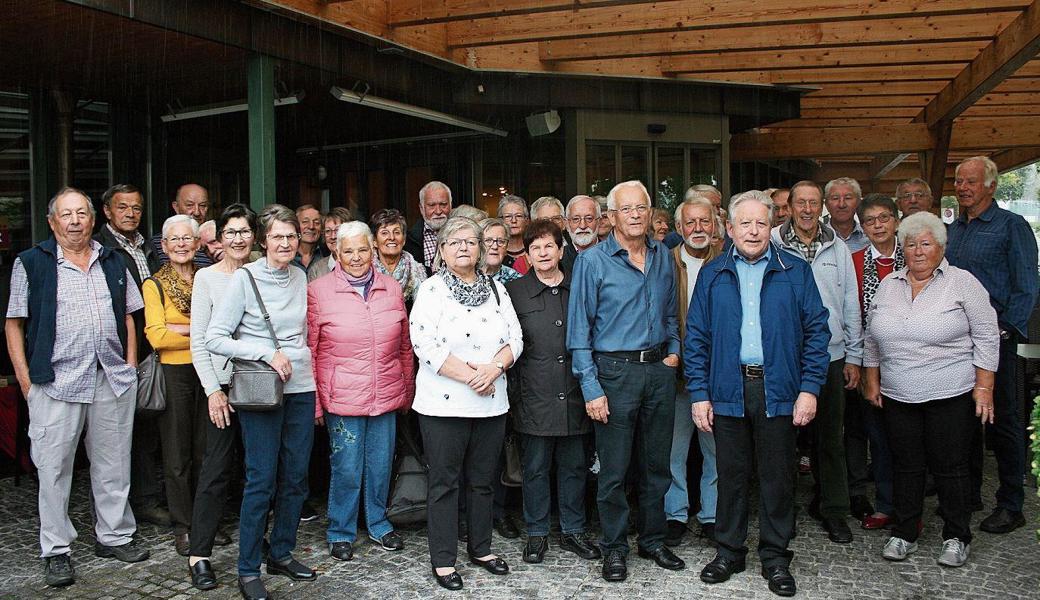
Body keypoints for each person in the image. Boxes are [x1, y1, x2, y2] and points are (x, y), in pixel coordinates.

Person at [686, 190, 830, 598]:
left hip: (779, 388)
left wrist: (809, 389)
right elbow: (696, 337)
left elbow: (817, 333)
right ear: (728, 229)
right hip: (728, 388)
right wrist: (699, 393)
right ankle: (729, 551)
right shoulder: (713, 275)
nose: (752, 230)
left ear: (772, 228)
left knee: (777, 476)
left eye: (761, 223)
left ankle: (775, 555)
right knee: (730, 476)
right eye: (744, 223)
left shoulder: (795, 272)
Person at [5, 187, 150, 588]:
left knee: (114, 462)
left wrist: (130, 364)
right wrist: (26, 382)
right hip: (55, 382)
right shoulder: (31, 263)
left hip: (110, 377)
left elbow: (128, 317)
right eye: (66, 214)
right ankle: (56, 549)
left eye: (81, 213)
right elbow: (14, 323)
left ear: (92, 219)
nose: (74, 221)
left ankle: (115, 535)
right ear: (52, 221)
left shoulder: (113, 259)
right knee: (53, 469)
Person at [863, 211, 1000, 568]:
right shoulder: (890, 283)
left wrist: (984, 387)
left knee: (950, 467)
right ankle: (905, 531)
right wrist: (872, 380)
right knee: (905, 465)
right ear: (902, 248)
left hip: (951, 393)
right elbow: (872, 336)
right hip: (898, 394)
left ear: (940, 246)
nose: (918, 251)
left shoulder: (962, 282)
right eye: (911, 244)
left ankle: (957, 536)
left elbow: (987, 335)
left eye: (926, 243)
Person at [568, 180, 684, 582]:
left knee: (657, 465)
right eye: (627, 209)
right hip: (613, 373)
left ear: (651, 213)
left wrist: (674, 351)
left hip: (658, 370)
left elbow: (671, 312)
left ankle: (652, 540)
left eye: (642, 208)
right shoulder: (593, 262)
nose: (635, 215)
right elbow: (579, 332)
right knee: (614, 471)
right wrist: (591, 387)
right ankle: (614, 548)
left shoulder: (663, 256)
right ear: (612, 217)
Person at [206, 204, 318, 600]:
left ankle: (282, 552)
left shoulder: (300, 276)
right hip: (261, 390)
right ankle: (248, 568)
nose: (285, 243)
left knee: (296, 476)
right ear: (263, 240)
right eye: (277, 237)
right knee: (261, 479)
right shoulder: (245, 279)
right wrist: (266, 353)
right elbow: (214, 338)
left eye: (291, 236)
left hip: (301, 388)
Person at [410, 216, 523, 591]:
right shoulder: (431, 290)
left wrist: (494, 368)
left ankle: (482, 548)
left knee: (483, 481)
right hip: (443, 406)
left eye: (470, 242)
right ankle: (443, 560)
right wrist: (473, 377)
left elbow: (516, 338)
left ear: (480, 249)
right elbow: (425, 345)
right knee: (444, 483)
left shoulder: (496, 289)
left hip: (491, 403)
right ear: (441, 250)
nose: (463, 248)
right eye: (454, 242)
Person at [308, 221, 414, 561]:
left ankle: (379, 523)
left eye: (362, 249)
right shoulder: (319, 290)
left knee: (381, 464)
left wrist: (407, 389)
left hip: (385, 392)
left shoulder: (392, 287)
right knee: (347, 467)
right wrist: (315, 405)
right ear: (336, 252)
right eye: (348, 250)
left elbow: (405, 347)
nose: (356, 257)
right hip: (342, 396)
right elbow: (310, 350)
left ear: (373, 251)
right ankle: (341, 529)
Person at [945, 156, 1039, 534]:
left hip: (996, 340)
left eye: (971, 182)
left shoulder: (1011, 226)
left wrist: (1006, 331)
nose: (963, 188)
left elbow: (1026, 287)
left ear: (991, 185)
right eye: (959, 181)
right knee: (963, 421)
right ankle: (968, 496)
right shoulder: (955, 229)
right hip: (955, 341)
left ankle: (1011, 503)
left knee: (1003, 422)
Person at [771, 180, 863, 545]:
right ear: (789, 206)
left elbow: (851, 302)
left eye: (814, 203)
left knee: (830, 439)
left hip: (830, 356)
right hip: (783, 357)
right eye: (801, 203)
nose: (807, 209)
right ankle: (783, 511)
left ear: (820, 206)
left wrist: (854, 356)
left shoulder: (836, 247)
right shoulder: (772, 243)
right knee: (782, 440)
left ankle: (833, 510)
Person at [505, 219, 599, 565]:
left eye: (549, 246)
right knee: (536, 468)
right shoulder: (515, 292)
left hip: (576, 391)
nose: (543, 253)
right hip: (534, 395)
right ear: (527, 255)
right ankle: (537, 533)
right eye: (535, 248)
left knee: (575, 466)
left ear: (562, 249)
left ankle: (574, 531)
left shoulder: (580, 285)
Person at [186, 203, 256, 590]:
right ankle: (200, 554)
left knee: (256, 472)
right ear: (219, 239)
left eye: (244, 231)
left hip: (260, 388)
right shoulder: (207, 279)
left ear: (254, 236)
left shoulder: (263, 274)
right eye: (231, 232)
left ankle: (253, 542)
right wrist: (213, 390)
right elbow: (199, 340)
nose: (238, 239)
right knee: (215, 471)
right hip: (223, 388)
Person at [94, 183, 168, 528]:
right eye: (122, 207)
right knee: (133, 429)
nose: (130, 214)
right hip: (124, 348)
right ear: (107, 211)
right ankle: (142, 501)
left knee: (152, 422)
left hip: (155, 344)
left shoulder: (148, 247)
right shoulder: (101, 249)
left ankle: (151, 495)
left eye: (136, 208)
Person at [143, 215, 208, 557]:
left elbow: (221, 326)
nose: (182, 245)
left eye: (188, 238)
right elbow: (157, 335)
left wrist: (182, 330)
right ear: (164, 246)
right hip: (174, 374)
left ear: (198, 244)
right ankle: (183, 526)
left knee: (204, 451)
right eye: (175, 240)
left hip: (209, 373)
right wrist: (200, 334)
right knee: (177, 453)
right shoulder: (154, 285)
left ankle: (204, 522)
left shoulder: (208, 278)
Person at [664, 195, 722, 548]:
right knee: (674, 448)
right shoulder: (664, 262)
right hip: (675, 372)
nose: (698, 228)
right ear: (679, 228)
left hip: (717, 375)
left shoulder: (728, 260)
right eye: (691, 223)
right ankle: (675, 513)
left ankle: (713, 515)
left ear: (714, 226)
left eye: (705, 222)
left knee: (716, 448)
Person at [847, 194, 904, 530]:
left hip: (911, 360)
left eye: (884, 218)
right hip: (870, 359)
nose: (878, 225)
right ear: (862, 226)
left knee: (910, 438)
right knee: (877, 436)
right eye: (870, 220)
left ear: (896, 220)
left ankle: (909, 508)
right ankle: (884, 504)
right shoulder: (853, 260)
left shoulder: (915, 255)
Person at [369, 208, 427, 307]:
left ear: (403, 240)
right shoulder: (365, 273)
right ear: (374, 241)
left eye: (396, 232)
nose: (391, 237)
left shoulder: (419, 271)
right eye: (384, 233)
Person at [151, 183, 212, 266]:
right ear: (176, 207)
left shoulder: (214, 242)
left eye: (202, 205)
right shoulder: (157, 244)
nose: (197, 212)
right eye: (190, 205)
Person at [405, 181, 453, 276]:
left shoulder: (462, 235)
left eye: (443, 204)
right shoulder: (408, 240)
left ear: (451, 206)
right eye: (431, 205)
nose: (438, 211)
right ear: (421, 208)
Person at [307, 207, 354, 282]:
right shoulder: (317, 270)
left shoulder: (360, 265)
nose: (333, 236)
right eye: (328, 231)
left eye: (337, 230)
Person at [824, 177, 869, 253]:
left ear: (858, 203)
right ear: (826, 204)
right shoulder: (817, 238)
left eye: (848, 198)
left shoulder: (870, 237)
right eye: (835, 198)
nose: (842, 205)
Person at [563, 194, 601, 272]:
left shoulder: (613, 256)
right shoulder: (559, 259)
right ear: (567, 224)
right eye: (576, 219)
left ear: (598, 222)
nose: (582, 226)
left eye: (589, 218)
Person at [480, 217, 522, 284]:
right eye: (488, 240)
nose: (495, 246)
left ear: (506, 248)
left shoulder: (517, 280)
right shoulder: (464, 276)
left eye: (501, 241)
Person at [498, 194, 531, 273]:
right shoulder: (495, 250)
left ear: (526, 220)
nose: (513, 221)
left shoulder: (534, 249)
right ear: (500, 220)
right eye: (508, 216)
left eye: (519, 216)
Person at [293, 204, 326, 270]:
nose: (311, 227)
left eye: (316, 223)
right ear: (295, 226)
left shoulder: (327, 254)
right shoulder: (286, 254)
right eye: (305, 222)